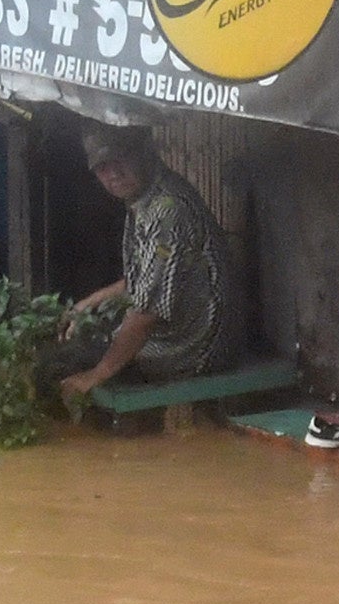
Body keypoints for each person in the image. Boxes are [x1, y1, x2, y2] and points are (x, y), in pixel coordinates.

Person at [45, 125, 232, 404]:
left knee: (64, 366)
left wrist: (95, 375)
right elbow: (143, 280)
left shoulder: (167, 209)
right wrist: (85, 305)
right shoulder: (145, 200)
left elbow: (147, 312)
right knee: (70, 342)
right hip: (177, 336)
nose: (113, 173)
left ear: (144, 153)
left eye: (121, 159)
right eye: (102, 167)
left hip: (193, 349)